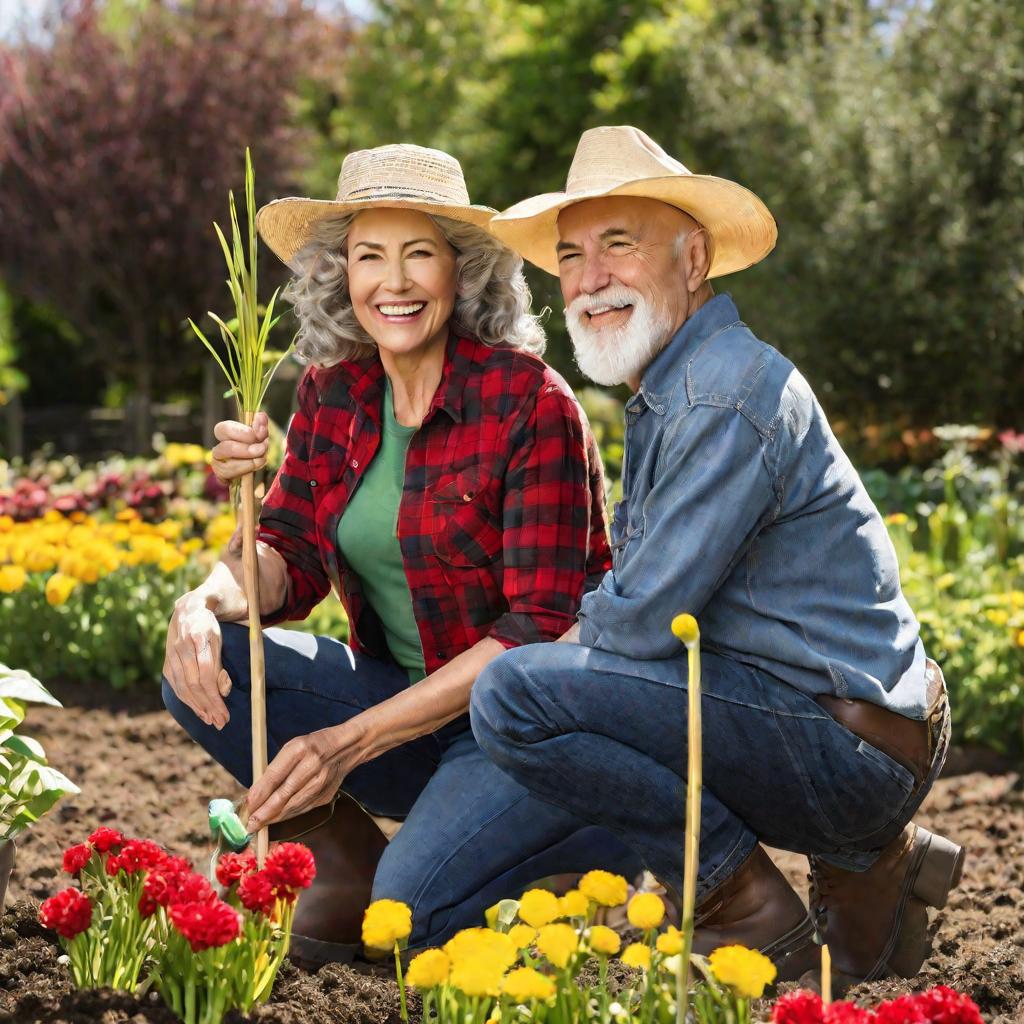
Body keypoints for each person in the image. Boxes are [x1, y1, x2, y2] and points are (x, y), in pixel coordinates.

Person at [472, 126, 965, 989]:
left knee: (515, 696)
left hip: (848, 747)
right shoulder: (675, 385)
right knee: (552, 680)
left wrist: (532, 649)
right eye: (571, 256)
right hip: (844, 724)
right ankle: (870, 868)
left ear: (693, 259)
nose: (589, 280)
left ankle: (740, 902)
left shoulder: (721, 394)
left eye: (619, 246)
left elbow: (639, 623)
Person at [162, 143, 638, 964]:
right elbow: (287, 552)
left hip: (525, 730)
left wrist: (348, 743)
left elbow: (536, 629)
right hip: (409, 713)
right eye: (370, 256)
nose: (396, 282)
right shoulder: (334, 391)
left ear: (463, 272)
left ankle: (585, 846)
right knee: (204, 668)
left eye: (420, 253)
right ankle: (346, 873)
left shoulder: (530, 403)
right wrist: (203, 600)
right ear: (340, 273)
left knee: (410, 920)